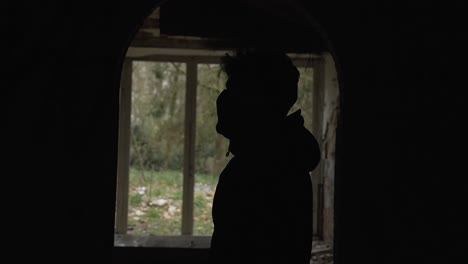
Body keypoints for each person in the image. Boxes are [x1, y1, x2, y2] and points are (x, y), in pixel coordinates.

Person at [208, 50, 321, 264]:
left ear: (258, 102)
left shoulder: (257, 172)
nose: (223, 99)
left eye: (233, 90)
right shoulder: (283, 159)